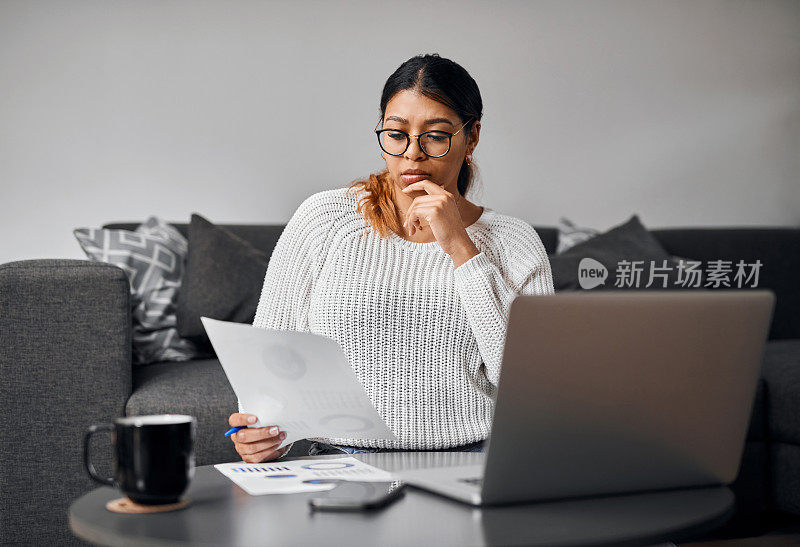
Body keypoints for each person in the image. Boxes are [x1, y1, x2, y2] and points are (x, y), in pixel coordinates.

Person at [228, 53, 555, 463]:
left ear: (471, 137)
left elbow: (532, 389)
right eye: (397, 134)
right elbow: (268, 360)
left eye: (435, 136)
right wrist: (262, 434)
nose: (412, 155)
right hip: (337, 462)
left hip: (470, 461)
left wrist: (460, 247)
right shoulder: (325, 219)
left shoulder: (514, 243)